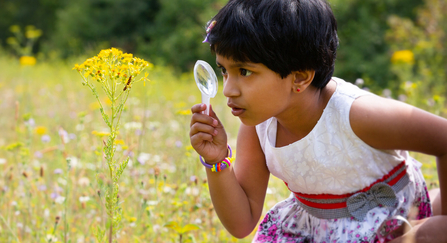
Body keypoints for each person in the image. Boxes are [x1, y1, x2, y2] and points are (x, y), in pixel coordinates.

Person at [189, 0, 447, 242]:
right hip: (320, 231)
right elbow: (241, 223)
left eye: (244, 72)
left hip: (392, 223)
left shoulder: (358, 115)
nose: (228, 90)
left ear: (300, 78)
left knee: (436, 230)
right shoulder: (259, 126)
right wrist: (216, 161)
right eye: (224, 71)